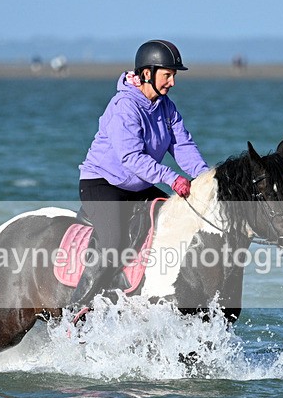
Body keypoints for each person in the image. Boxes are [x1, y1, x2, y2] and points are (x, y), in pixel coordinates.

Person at [71, 39, 209, 313]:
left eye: (174, 76)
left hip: (138, 185)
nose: (172, 82)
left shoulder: (167, 107)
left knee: (178, 220)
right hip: (102, 184)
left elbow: (183, 146)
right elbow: (131, 158)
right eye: (168, 75)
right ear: (147, 74)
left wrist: (206, 180)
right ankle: (77, 307)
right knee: (112, 242)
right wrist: (173, 179)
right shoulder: (124, 106)